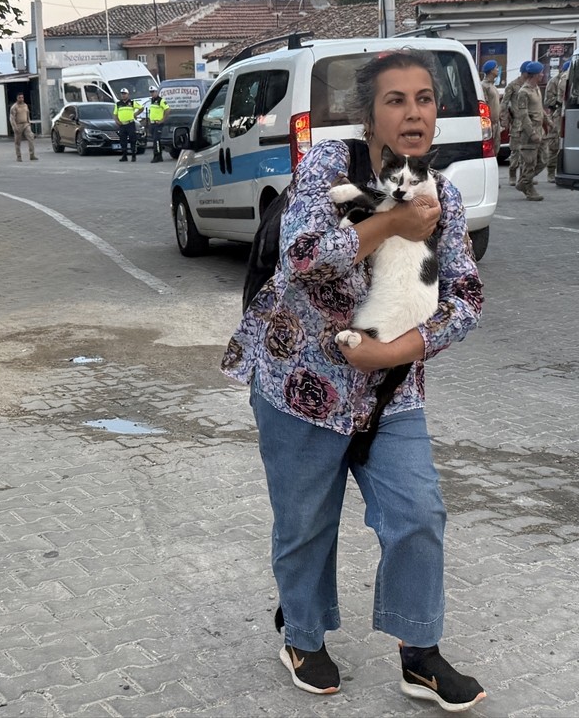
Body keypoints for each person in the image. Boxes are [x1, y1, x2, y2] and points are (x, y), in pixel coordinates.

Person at [221, 48, 487, 712]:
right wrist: (392, 221)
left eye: (424, 99)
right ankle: (302, 634)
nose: (414, 113)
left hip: (389, 391)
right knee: (306, 522)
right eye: (396, 100)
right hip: (298, 382)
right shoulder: (327, 165)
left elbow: (466, 296)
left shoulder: (446, 196)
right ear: (369, 116)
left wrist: (395, 350)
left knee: (418, 511)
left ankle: (419, 654)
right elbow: (302, 254)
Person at [513, 61, 549, 201]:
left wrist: (549, 122)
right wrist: (532, 133)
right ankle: (528, 188)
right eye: (540, 73)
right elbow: (523, 115)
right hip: (529, 133)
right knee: (530, 162)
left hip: (540, 130)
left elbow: (540, 109)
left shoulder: (536, 89)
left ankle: (523, 182)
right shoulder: (524, 92)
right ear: (534, 75)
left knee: (544, 159)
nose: (542, 75)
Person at [541, 58, 570, 183]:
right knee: (554, 145)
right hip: (557, 115)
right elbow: (548, 101)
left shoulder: (574, 80)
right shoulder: (554, 82)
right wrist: (559, 102)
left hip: (570, 115)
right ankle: (551, 172)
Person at [498, 62, 526, 187]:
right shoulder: (513, 85)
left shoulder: (531, 85)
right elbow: (504, 103)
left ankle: (525, 177)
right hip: (517, 122)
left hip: (528, 122)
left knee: (526, 151)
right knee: (515, 150)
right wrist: (504, 120)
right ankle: (513, 175)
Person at [113, 88, 143, 162]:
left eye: (125, 94)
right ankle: (124, 156)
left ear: (128, 94)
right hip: (122, 125)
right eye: (122, 94)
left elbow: (141, 108)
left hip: (130, 124)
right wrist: (117, 121)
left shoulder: (132, 102)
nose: (123, 95)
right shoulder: (118, 104)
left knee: (133, 140)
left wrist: (135, 114)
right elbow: (115, 114)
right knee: (123, 141)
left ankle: (133, 156)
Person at [9, 93, 37, 162]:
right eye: (20, 98)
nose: (21, 99)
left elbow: (27, 114)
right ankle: (19, 157)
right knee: (17, 142)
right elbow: (12, 118)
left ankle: (32, 155)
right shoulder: (14, 107)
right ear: (17, 98)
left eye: (22, 97)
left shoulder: (25, 105)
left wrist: (29, 122)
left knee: (31, 138)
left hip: (26, 124)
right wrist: (14, 127)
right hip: (18, 125)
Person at [144, 88, 170, 163]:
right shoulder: (151, 101)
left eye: (153, 92)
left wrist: (162, 120)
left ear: (156, 92)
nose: (152, 93)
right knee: (156, 140)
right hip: (152, 123)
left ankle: (156, 156)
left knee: (156, 140)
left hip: (158, 123)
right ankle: (160, 156)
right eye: (151, 92)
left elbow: (168, 109)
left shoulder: (160, 100)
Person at [480, 60, 501, 145]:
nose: (498, 70)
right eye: (496, 68)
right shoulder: (484, 86)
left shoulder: (492, 86)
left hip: (496, 123)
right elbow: (484, 103)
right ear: (491, 70)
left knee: (496, 147)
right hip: (489, 124)